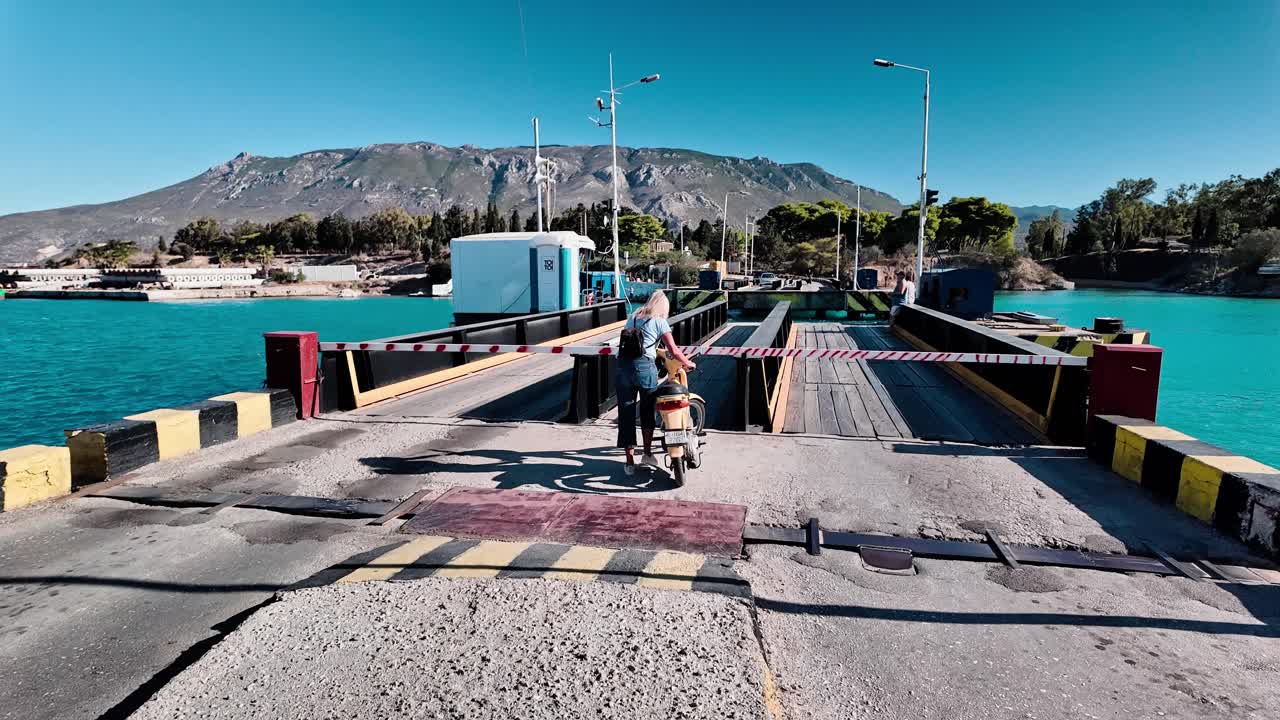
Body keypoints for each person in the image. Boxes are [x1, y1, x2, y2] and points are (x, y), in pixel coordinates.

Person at [615, 291, 696, 475]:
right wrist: (687, 362)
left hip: (623, 367)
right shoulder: (659, 321)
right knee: (647, 410)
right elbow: (674, 350)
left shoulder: (633, 317)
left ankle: (629, 463)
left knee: (626, 413)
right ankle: (647, 454)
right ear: (663, 307)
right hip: (644, 368)